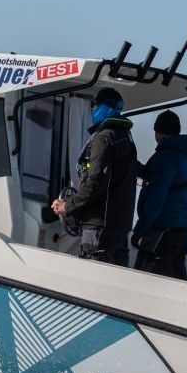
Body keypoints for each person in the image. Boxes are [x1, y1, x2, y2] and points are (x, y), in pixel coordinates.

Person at [51, 88, 137, 266]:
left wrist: (67, 205)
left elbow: (95, 182)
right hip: (119, 226)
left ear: (106, 108)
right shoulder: (125, 138)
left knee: (94, 272)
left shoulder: (104, 138)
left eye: (96, 105)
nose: (93, 109)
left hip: (99, 226)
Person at [131, 110, 187, 279]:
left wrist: (139, 230)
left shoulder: (166, 156)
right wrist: (132, 165)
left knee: (145, 283)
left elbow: (156, 197)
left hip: (161, 234)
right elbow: (153, 175)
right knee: (177, 283)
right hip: (180, 233)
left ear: (158, 132)